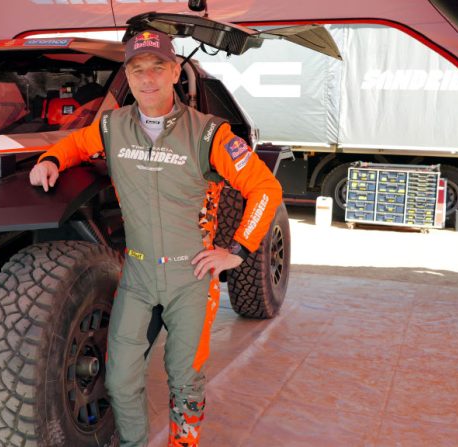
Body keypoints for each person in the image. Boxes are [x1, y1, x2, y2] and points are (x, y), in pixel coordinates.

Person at [29, 30, 282, 447]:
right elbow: (75, 144)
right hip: (138, 273)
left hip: (191, 277)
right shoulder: (112, 126)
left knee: (185, 379)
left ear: (175, 71)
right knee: (120, 378)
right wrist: (50, 159)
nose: (147, 79)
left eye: (157, 67)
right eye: (137, 69)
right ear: (127, 75)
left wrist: (237, 249)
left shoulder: (209, 134)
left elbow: (265, 189)